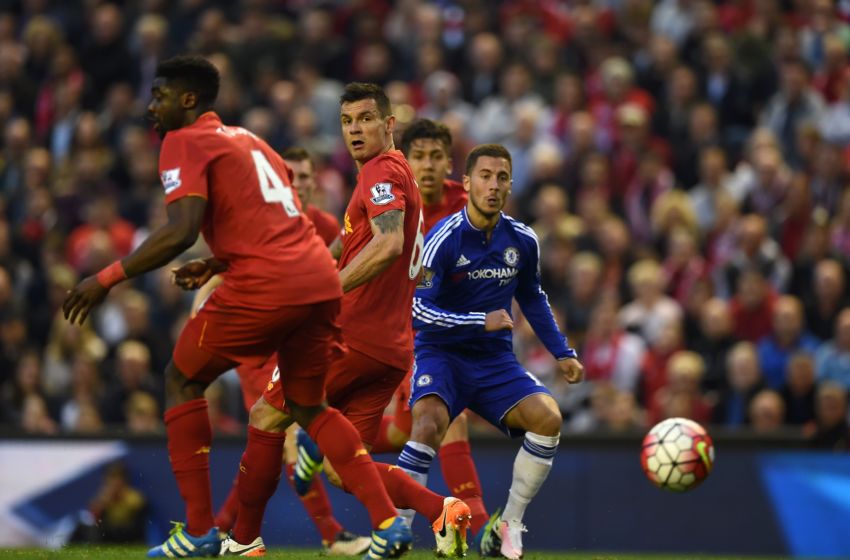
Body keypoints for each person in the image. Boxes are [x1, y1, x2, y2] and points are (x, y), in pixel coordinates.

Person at [63, 56, 411, 559]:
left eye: (159, 96)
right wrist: (216, 261)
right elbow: (276, 219)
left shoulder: (182, 142)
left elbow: (180, 229)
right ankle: (388, 523)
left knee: (182, 379)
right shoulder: (252, 141)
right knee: (308, 406)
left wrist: (107, 278)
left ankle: (201, 531)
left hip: (268, 285)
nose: (150, 107)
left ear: (188, 99)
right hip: (317, 281)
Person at [242, 83, 472, 557]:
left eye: (366, 119)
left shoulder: (379, 172)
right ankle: (441, 511)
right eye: (347, 122)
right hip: (391, 349)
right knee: (343, 467)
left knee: (266, 415)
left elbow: (387, 245)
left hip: (350, 338)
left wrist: (326, 291)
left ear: (389, 124)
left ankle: (240, 540)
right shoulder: (401, 174)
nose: (355, 130)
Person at [303, 118, 489, 537]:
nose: (426, 165)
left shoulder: (470, 208)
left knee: (432, 423)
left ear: (449, 164)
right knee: (366, 453)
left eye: (436, 156)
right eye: (418, 155)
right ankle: (450, 518)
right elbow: (347, 246)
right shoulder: (388, 192)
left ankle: (466, 524)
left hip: (439, 333)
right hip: (392, 331)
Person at [404, 144, 585, 559]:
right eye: (484, 176)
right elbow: (418, 308)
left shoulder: (522, 240)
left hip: (493, 362)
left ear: (510, 186)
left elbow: (533, 298)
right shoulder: (443, 239)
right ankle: (395, 531)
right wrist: (476, 320)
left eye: (502, 177)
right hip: (442, 355)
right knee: (427, 422)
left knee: (548, 418)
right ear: (466, 183)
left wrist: (562, 352)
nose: (493, 185)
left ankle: (511, 524)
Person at [186, 147, 369, 556]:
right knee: (283, 430)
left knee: (266, 438)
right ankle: (330, 534)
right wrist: (199, 306)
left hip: (303, 342)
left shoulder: (324, 225)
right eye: (294, 177)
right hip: (261, 345)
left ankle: (218, 530)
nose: (301, 183)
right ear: (281, 182)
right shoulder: (263, 223)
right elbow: (222, 267)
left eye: (307, 177)